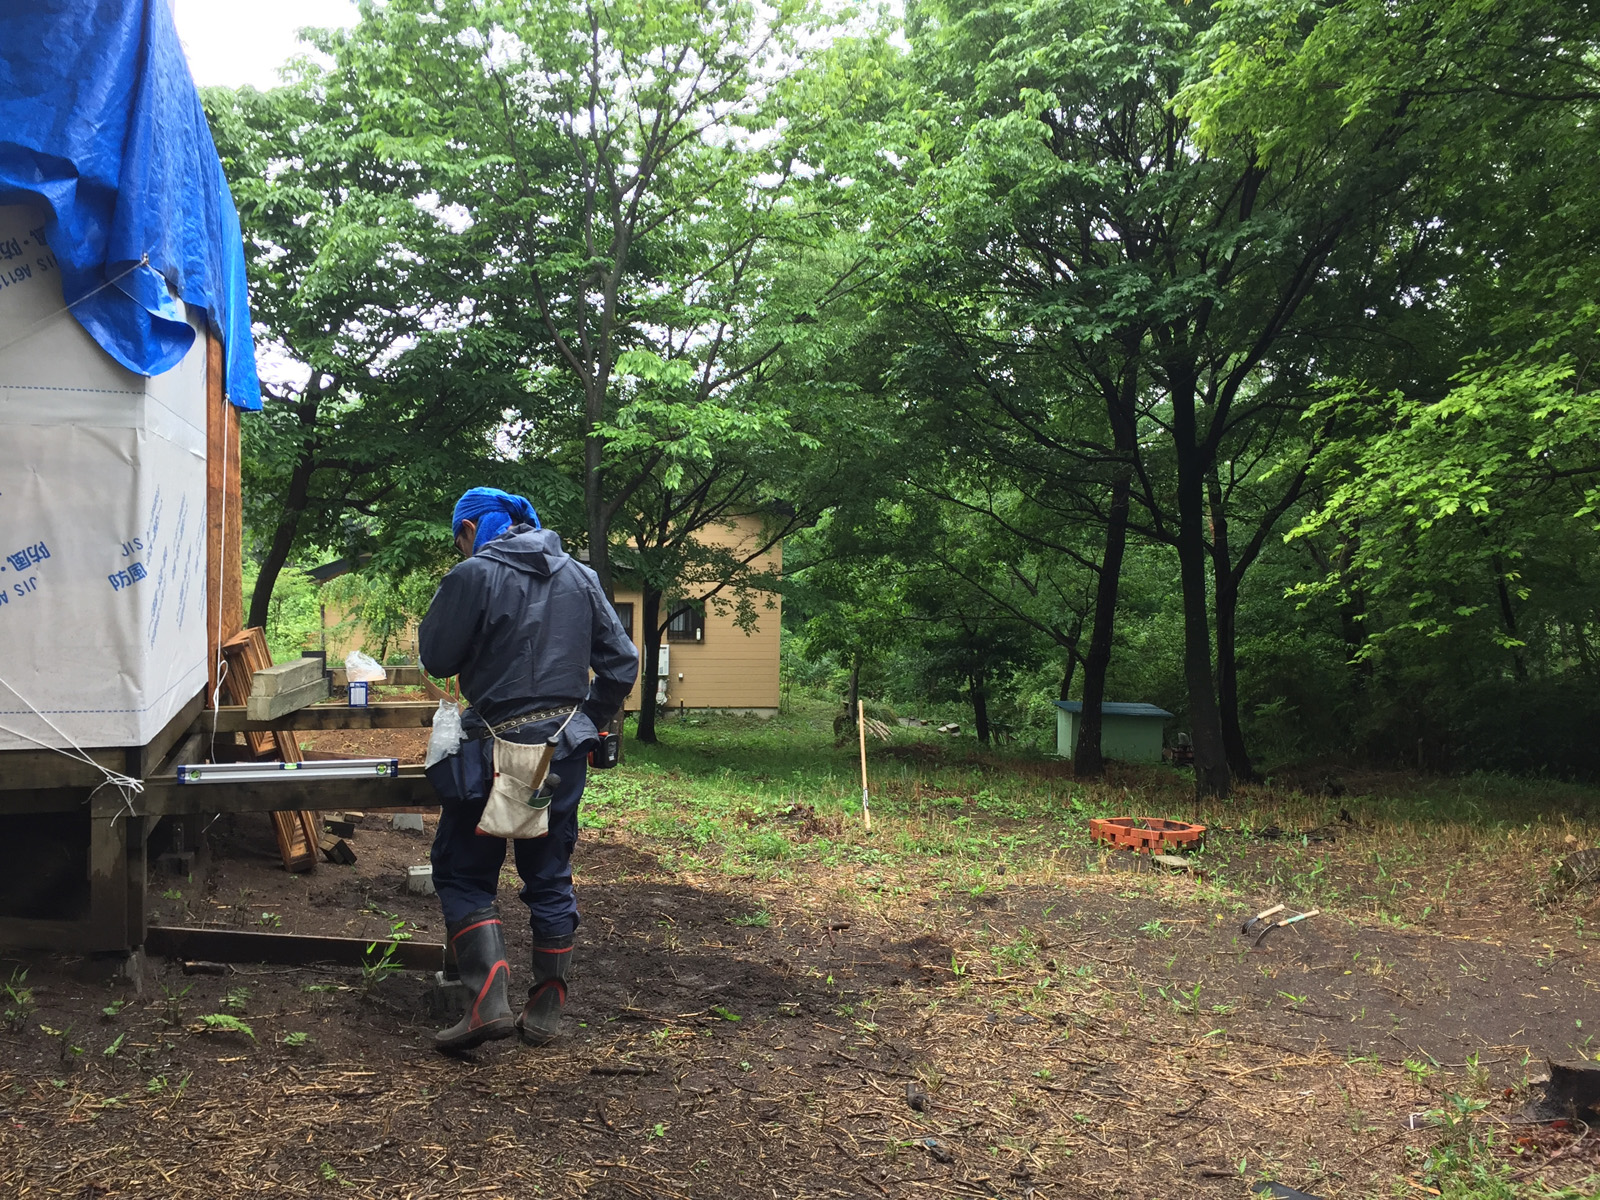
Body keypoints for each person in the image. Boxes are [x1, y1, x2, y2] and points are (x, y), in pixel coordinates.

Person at [418, 487, 638, 1052]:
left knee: (462, 873)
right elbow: (622, 662)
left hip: (488, 753)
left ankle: (487, 1002)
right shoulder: (580, 576)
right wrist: (585, 722)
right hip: (562, 753)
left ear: (470, 530)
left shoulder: (473, 576)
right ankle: (546, 1008)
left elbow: (437, 658)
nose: (461, 549)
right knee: (549, 872)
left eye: (459, 539)